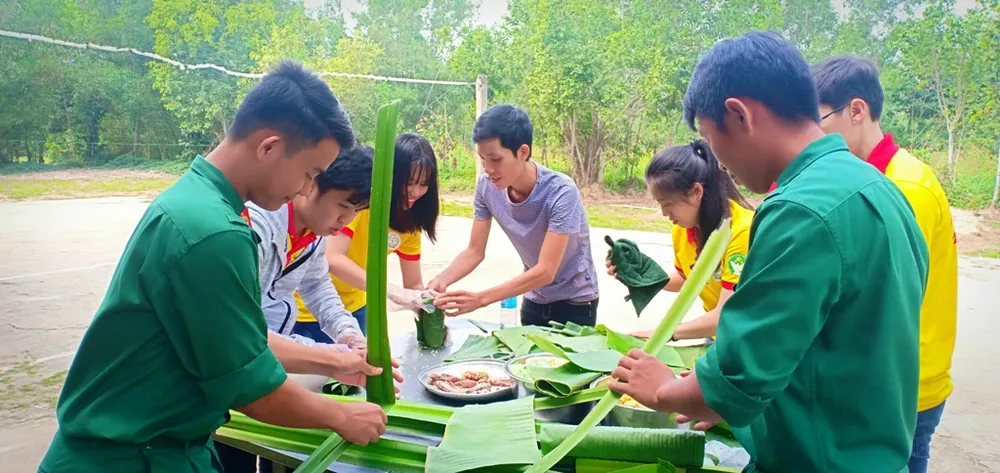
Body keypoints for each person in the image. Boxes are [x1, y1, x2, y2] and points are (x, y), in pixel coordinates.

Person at [38, 61, 389, 473]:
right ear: (269, 146)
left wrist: (337, 358)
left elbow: (239, 340)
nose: (305, 188)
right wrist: (340, 415)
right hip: (130, 456)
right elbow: (249, 385)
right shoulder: (215, 233)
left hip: (151, 447)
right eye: (309, 173)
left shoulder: (197, 202)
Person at [607, 32, 929, 473]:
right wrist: (714, 401)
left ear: (739, 115)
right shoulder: (880, 188)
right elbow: (826, 339)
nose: (717, 160)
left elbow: (741, 375)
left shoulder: (798, 209)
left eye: (708, 135)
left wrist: (664, 389)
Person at [811, 54, 958, 473]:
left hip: (902, 385)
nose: (811, 136)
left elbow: (872, 299)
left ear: (856, 110)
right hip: (891, 376)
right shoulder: (875, 178)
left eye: (818, 120)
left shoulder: (904, 187)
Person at [219, 144, 405, 473]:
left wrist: (349, 336)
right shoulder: (255, 230)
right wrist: (332, 358)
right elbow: (248, 336)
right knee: (234, 453)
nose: (346, 219)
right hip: (233, 375)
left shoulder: (314, 233)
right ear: (312, 183)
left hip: (260, 363)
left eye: (357, 210)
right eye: (343, 206)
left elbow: (317, 285)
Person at [429, 104, 600, 326]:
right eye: (483, 159)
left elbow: (547, 271)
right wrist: (440, 281)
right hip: (533, 297)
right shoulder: (486, 187)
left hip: (577, 303)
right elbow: (474, 251)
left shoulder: (561, 192)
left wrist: (480, 299)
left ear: (523, 152)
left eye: (495, 159)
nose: (488, 169)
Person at [293, 134, 440, 338]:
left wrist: (431, 315)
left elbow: (413, 284)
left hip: (357, 306)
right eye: (409, 182)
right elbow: (333, 259)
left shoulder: (409, 223)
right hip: (311, 311)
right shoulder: (359, 205)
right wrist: (392, 291)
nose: (415, 192)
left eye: (424, 184)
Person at [608, 140, 754, 341]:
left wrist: (665, 333)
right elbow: (688, 277)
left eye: (667, 204)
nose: (664, 213)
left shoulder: (740, 232)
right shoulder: (682, 229)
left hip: (750, 340)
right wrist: (643, 276)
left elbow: (726, 314)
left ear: (696, 192)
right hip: (719, 336)